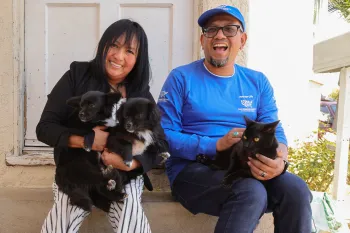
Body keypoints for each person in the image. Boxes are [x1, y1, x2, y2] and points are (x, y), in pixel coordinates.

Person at [157, 5, 312, 233]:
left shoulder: (257, 82)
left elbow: (275, 131)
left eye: (229, 29)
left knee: (296, 190)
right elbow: (163, 135)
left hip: (245, 166)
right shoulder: (181, 78)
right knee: (250, 191)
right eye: (212, 30)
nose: (220, 35)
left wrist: (279, 160)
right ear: (203, 40)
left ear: (243, 39)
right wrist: (215, 144)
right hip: (193, 170)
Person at [36, 19, 161, 233]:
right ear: (103, 46)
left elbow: (160, 145)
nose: (118, 56)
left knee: (131, 221)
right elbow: (45, 128)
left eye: (129, 51)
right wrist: (87, 142)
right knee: (58, 225)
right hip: (77, 171)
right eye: (113, 45)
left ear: (138, 58)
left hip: (122, 175)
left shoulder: (140, 94)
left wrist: (131, 164)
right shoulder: (77, 75)